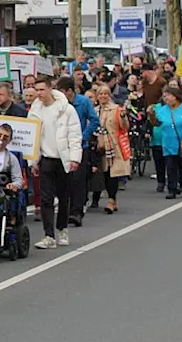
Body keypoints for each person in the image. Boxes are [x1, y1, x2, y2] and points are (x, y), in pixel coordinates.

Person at [30, 76, 82, 249]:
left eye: (42, 90)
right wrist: (33, 161)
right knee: (46, 199)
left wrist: (75, 158)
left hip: (63, 159)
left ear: (50, 89)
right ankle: (48, 235)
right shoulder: (35, 111)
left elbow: (74, 135)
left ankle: (62, 229)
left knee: (63, 197)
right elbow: (33, 137)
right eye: (36, 90)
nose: (39, 94)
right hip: (45, 159)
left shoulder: (66, 110)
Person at [59, 77, 98, 226]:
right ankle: (67, 211)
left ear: (69, 91)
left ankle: (76, 212)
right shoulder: (58, 105)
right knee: (64, 180)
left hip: (80, 146)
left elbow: (94, 120)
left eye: (62, 92)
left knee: (78, 180)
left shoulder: (83, 102)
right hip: (62, 146)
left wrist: (83, 136)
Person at [150, 87, 182, 200]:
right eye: (164, 96)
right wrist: (151, 115)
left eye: (168, 95)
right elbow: (156, 123)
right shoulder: (162, 110)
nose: (166, 98)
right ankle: (172, 189)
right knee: (170, 167)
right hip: (168, 143)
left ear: (175, 96)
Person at [91, 85, 131, 213]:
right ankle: (96, 200)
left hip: (112, 145)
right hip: (98, 145)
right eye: (101, 94)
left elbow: (124, 127)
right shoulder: (94, 110)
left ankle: (111, 200)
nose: (103, 96)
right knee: (99, 173)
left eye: (106, 94)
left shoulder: (116, 109)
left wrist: (123, 116)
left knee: (111, 174)